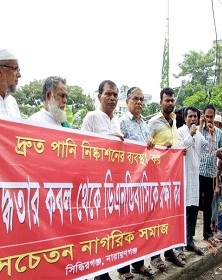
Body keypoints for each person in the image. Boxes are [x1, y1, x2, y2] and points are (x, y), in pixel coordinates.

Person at [81, 80, 124, 280]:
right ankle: (100, 274)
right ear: (99, 96)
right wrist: (107, 139)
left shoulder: (117, 121)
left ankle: (105, 269)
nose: (112, 98)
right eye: (108, 94)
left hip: (113, 186)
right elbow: (82, 147)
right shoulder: (91, 118)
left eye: (115, 94)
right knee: (97, 233)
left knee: (110, 233)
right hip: (96, 186)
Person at [117, 86, 155, 279]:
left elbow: (145, 148)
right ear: (127, 101)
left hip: (142, 183)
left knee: (139, 225)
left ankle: (138, 264)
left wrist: (150, 142)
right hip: (126, 182)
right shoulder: (121, 122)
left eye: (142, 99)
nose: (139, 102)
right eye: (135, 98)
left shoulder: (144, 124)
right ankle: (123, 270)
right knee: (125, 227)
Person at [148, 87, 185, 270]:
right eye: (167, 100)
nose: (170, 103)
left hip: (173, 178)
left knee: (170, 217)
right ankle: (155, 256)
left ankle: (170, 252)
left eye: (172, 101)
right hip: (157, 178)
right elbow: (145, 147)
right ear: (160, 102)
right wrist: (162, 148)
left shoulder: (175, 120)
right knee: (156, 218)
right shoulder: (153, 122)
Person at [176, 106, 210, 257]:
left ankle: (189, 241)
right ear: (185, 118)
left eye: (195, 116)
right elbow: (179, 148)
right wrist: (190, 134)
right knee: (181, 212)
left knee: (192, 211)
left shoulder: (199, 134)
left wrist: (210, 133)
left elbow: (207, 148)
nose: (193, 119)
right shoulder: (179, 132)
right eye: (190, 116)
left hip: (194, 177)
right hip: (182, 177)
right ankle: (179, 246)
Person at [198, 104, 222, 246]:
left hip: (211, 172)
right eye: (207, 116)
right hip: (198, 171)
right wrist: (201, 125)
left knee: (208, 203)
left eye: (211, 117)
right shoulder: (198, 130)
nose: (209, 119)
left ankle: (207, 234)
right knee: (195, 203)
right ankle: (189, 236)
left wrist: (220, 154)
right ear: (203, 116)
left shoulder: (219, 133)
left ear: (214, 117)